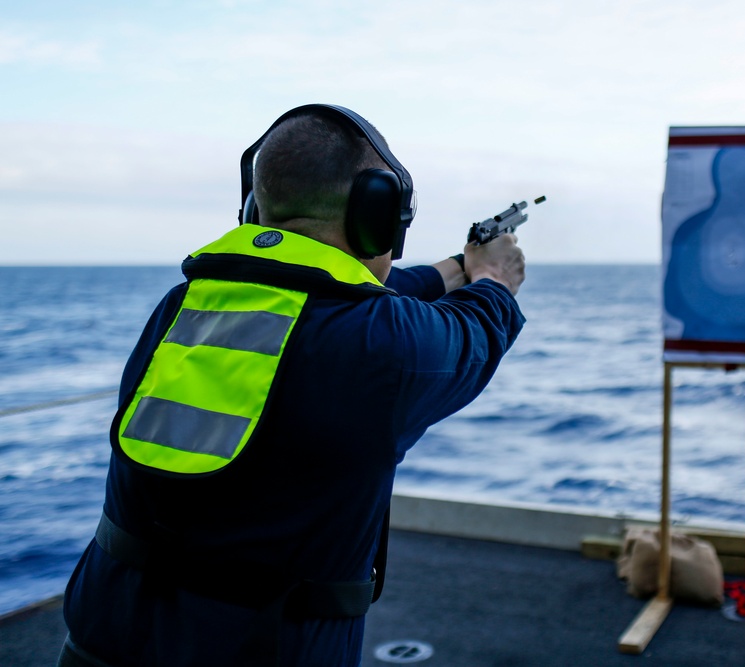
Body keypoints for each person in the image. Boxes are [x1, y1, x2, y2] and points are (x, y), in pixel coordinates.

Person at [59, 104, 526, 667]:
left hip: (105, 635)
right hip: (260, 651)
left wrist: (458, 264)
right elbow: (474, 329)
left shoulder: (182, 306)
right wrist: (495, 277)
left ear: (257, 206)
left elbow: (342, 292)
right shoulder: (384, 343)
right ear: (376, 215)